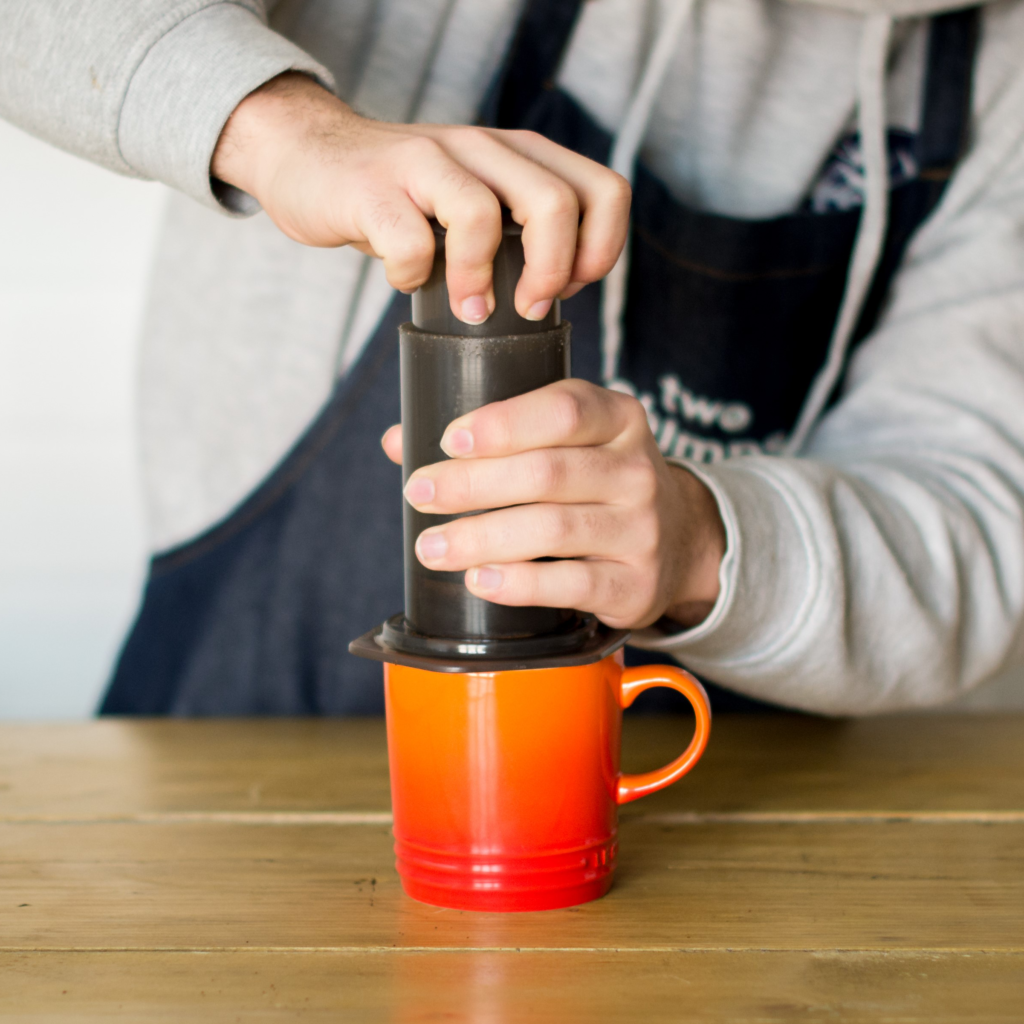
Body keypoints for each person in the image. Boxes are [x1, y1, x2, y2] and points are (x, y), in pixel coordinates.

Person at [2, 0, 1023, 715]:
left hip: (718, 834)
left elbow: (978, 525)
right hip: (240, 719)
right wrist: (279, 130)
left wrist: (696, 543)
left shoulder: (998, 68)